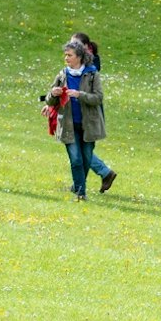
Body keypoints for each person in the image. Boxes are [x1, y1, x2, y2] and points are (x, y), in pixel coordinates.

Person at [43, 39, 105, 201]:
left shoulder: (92, 74)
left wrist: (80, 95)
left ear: (79, 57)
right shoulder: (62, 74)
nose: (66, 58)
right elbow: (50, 100)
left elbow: (98, 98)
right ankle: (80, 193)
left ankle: (79, 188)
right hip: (68, 124)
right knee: (76, 159)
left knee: (85, 159)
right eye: (65, 55)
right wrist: (53, 94)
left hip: (89, 125)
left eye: (69, 55)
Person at [71, 31, 118, 193]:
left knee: (82, 150)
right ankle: (80, 184)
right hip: (81, 111)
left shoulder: (90, 65)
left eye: (76, 45)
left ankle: (104, 173)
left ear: (85, 47)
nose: (72, 48)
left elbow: (92, 94)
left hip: (89, 113)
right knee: (81, 149)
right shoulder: (76, 63)